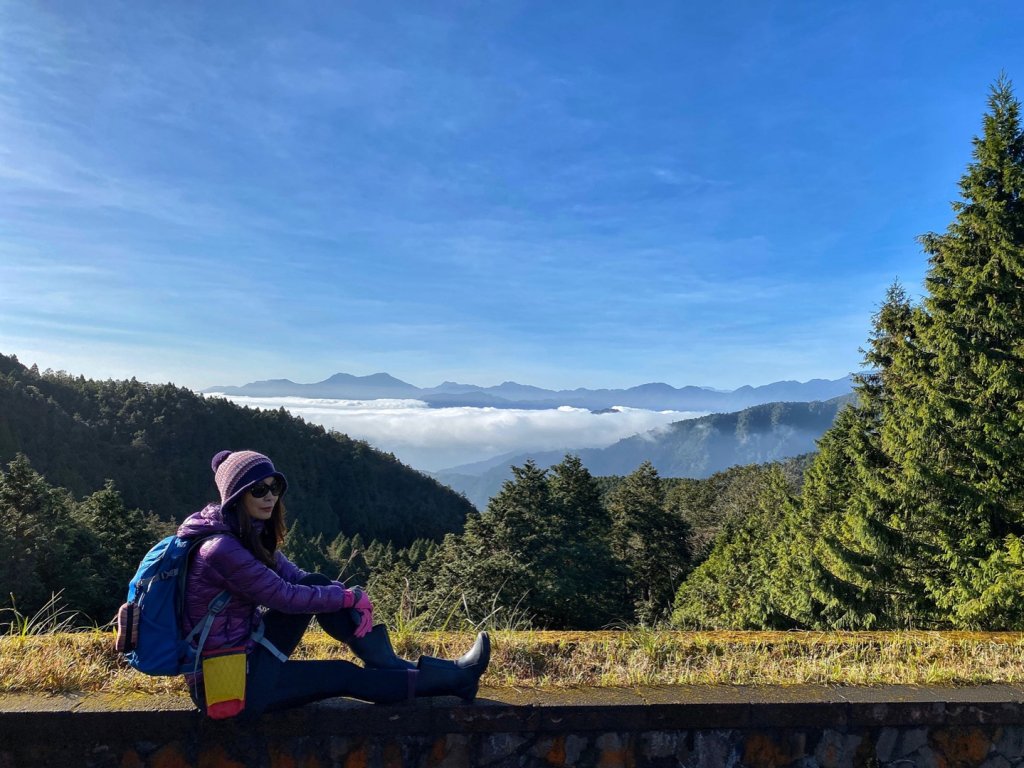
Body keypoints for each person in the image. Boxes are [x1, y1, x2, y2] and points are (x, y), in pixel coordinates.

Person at [178, 449, 489, 718]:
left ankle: (389, 662)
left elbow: (298, 578)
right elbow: (284, 597)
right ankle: (453, 680)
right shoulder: (221, 550)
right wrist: (348, 599)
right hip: (226, 685)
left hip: (245, 656)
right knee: (344, 675)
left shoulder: (246, 536)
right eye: (257, 489)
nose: (270, 495)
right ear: (235, 497)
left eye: (274, 486)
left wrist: (345, 594)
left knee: (315, 583)